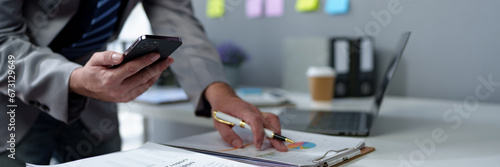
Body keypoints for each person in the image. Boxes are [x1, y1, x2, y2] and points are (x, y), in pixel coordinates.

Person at [0, 0, 287, 166]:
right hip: (12, 102)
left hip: (95, 106)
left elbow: (178, 23)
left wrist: (219, 93)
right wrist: (73, 78)